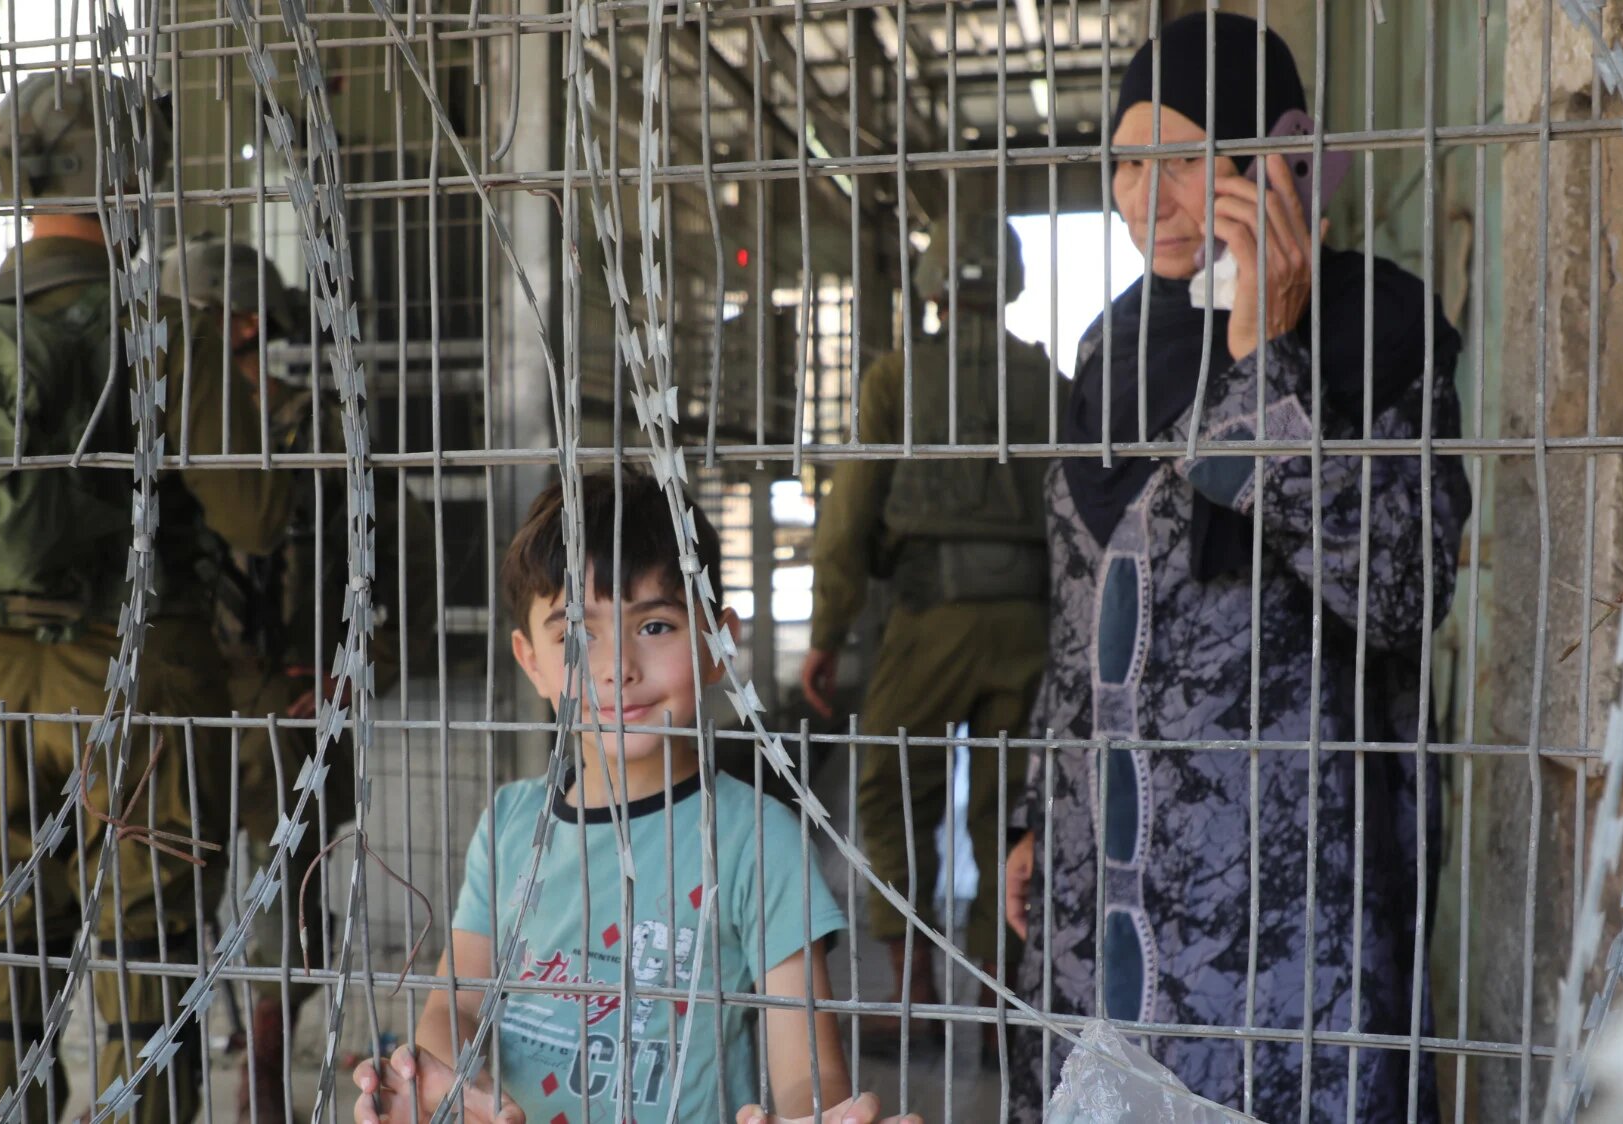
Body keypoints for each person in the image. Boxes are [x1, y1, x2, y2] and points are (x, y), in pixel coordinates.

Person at [1004, 14, 1468, 1121]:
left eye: (1180, 158)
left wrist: (1269, 350)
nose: (1140, 195)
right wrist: (1027, 818)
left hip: (1281, 911)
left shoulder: (1378, 328)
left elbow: (1403, 591)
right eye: (1123, 161)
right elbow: (1072, 616)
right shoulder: (1110, 343)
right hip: (1094, 888)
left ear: (1274, 157)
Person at [0, 72, 291, 1124]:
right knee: (150, 947)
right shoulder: (163, 325)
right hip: (135, 673)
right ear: (132, 176)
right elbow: (252, 517)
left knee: (7, 932)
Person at [353, 472, 918, 1124]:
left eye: (654, 625)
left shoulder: (754, 837)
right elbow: (455, 1004)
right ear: (531, 660)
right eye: (575, 634)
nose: (616, 666)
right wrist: (440, 1081)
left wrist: (811, 1116)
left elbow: (808, 1071)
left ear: (718, 645)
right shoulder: (511, 824)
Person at [159, 235, 438, 1122]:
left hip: (287, 708)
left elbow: (406, 551)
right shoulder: (140, 432)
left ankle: (265, 1088)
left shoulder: (313, 433)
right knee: (166, 910)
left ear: (241, 327)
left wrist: (364, 669)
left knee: (289, 926)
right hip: (180, 710)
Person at [802, 216, 1055, 1041]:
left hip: (926, 623)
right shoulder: (1049, 385)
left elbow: (849, 516)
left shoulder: (896, 381)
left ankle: (912, 993)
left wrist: (828, 629)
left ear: (934, 286)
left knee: (888, 785)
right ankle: (994, 1005)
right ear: (1011, 284)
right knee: (1007, 810)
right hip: (1028, 626)